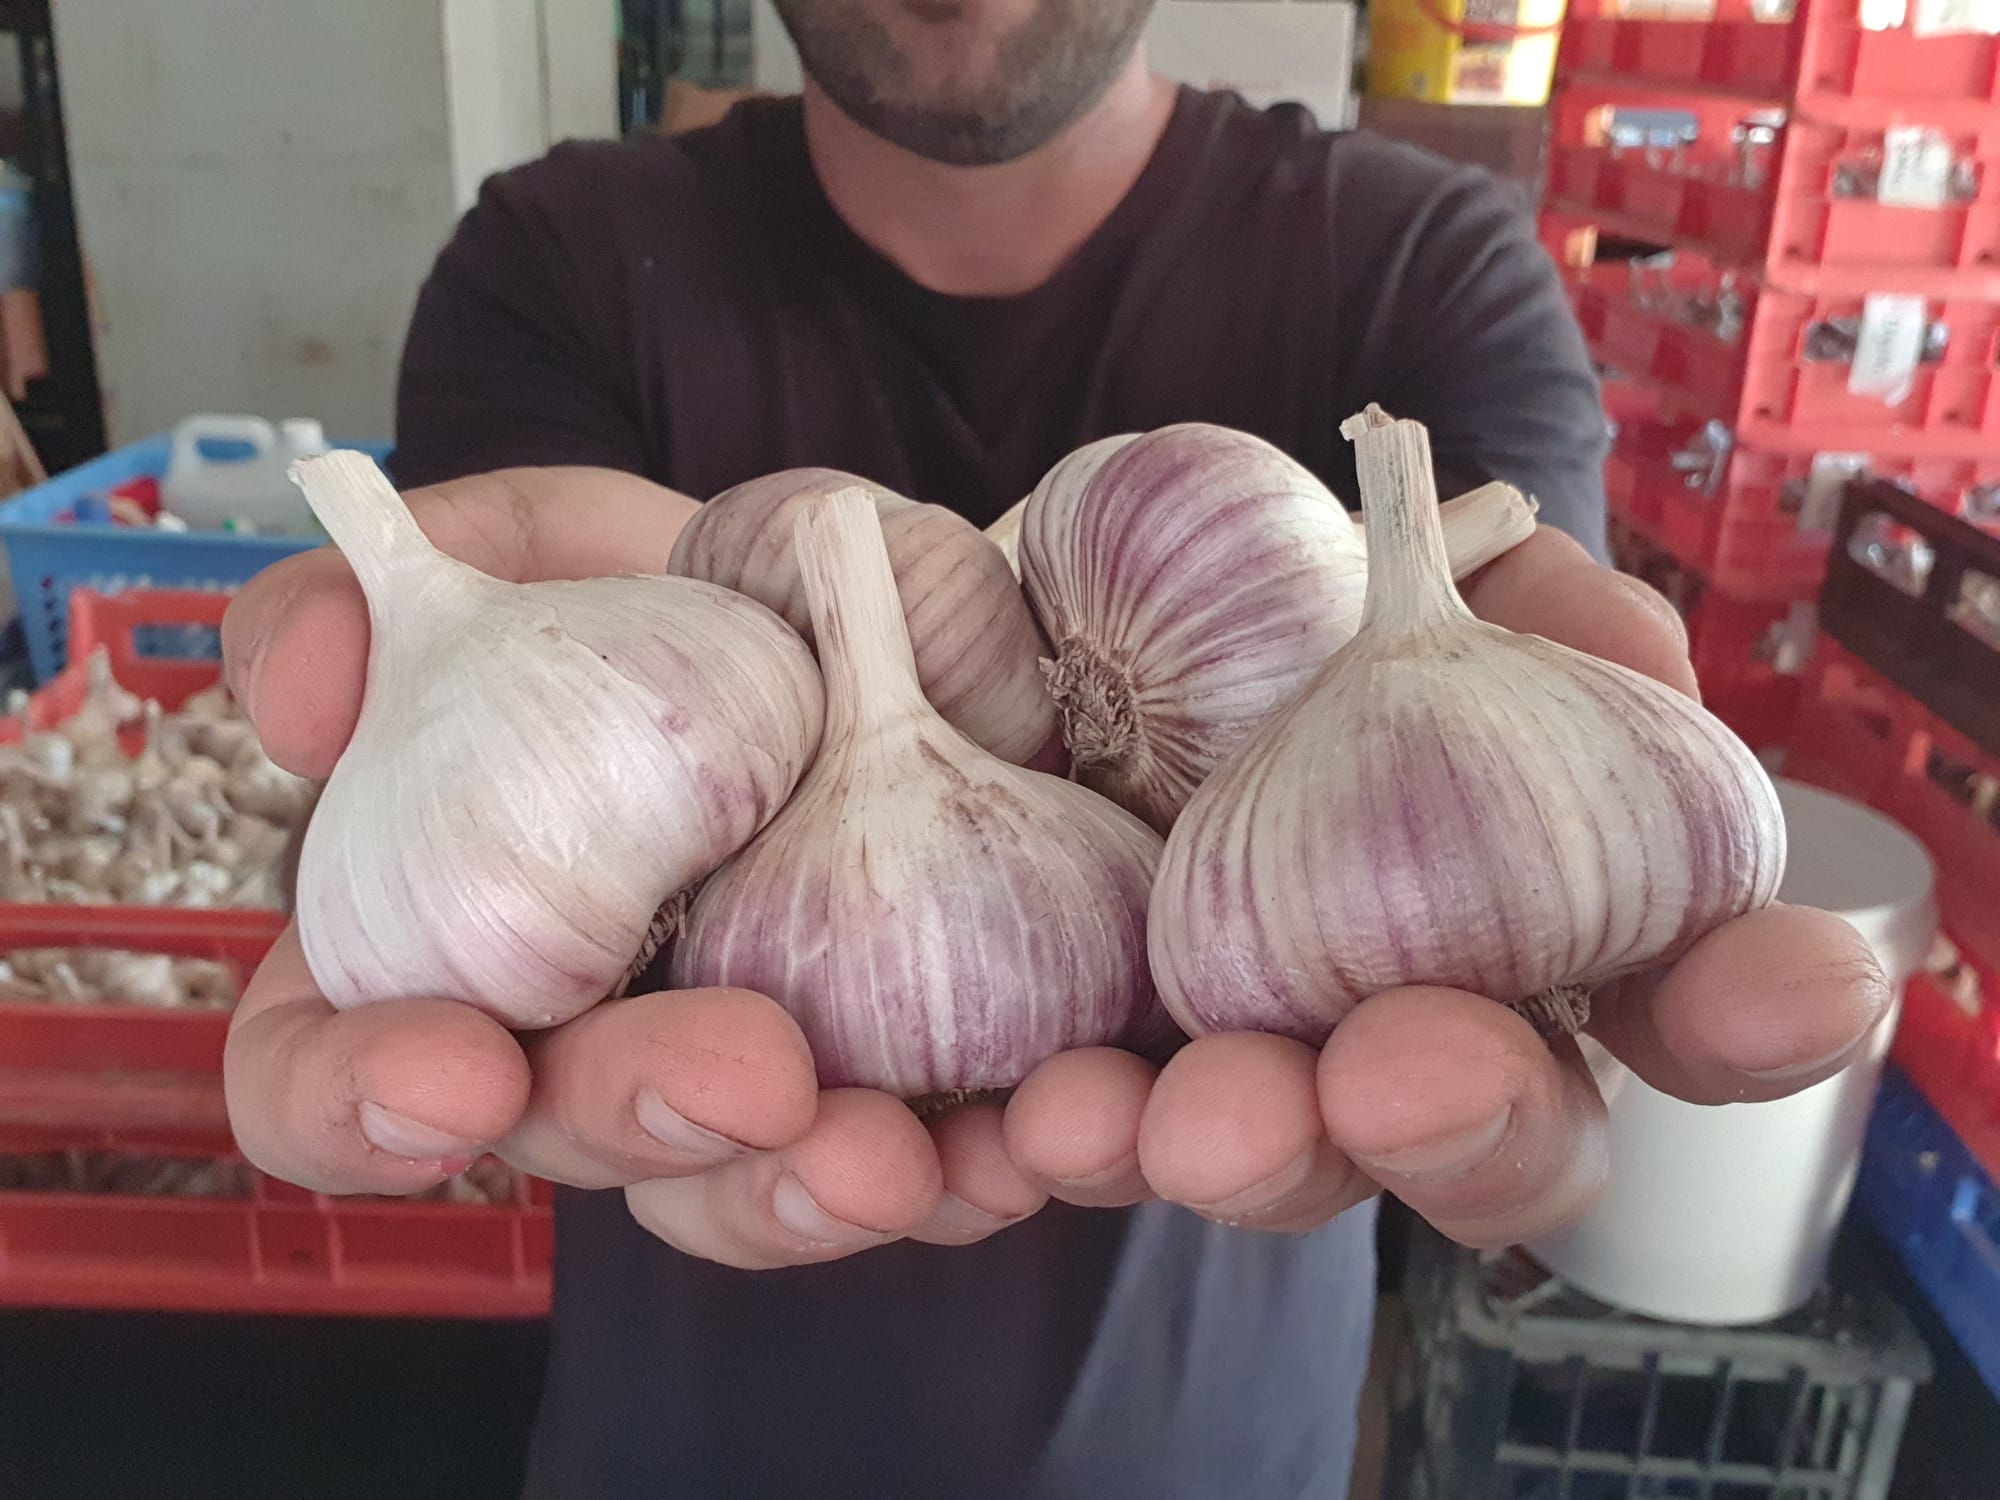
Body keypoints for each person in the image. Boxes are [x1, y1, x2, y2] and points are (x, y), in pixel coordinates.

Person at [220, 4, 1891, 1496]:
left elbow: (1517, 777)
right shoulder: (557, 253)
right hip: (681, 1443)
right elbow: (487, 764)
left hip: (1217, 1442)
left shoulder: (1418, 256)